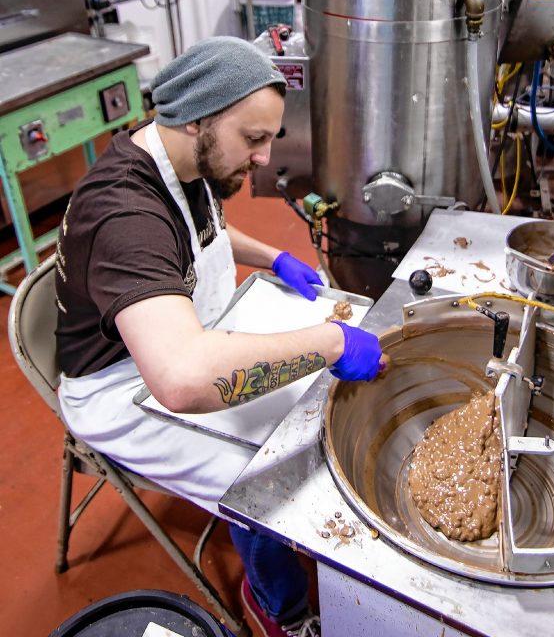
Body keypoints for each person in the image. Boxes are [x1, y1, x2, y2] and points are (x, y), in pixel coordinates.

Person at [55, 36, 383, 637]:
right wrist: (330, 344)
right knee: (266, 471)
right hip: (122, 386)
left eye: (268, 140)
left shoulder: (184, 159)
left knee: (307, 405)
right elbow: (182, 378)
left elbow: (205, 230)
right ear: (195, 118)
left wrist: (273, 256)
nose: (263, 159)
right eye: (253, 140)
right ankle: (275, 607)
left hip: (186, 328)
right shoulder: (124, 212)